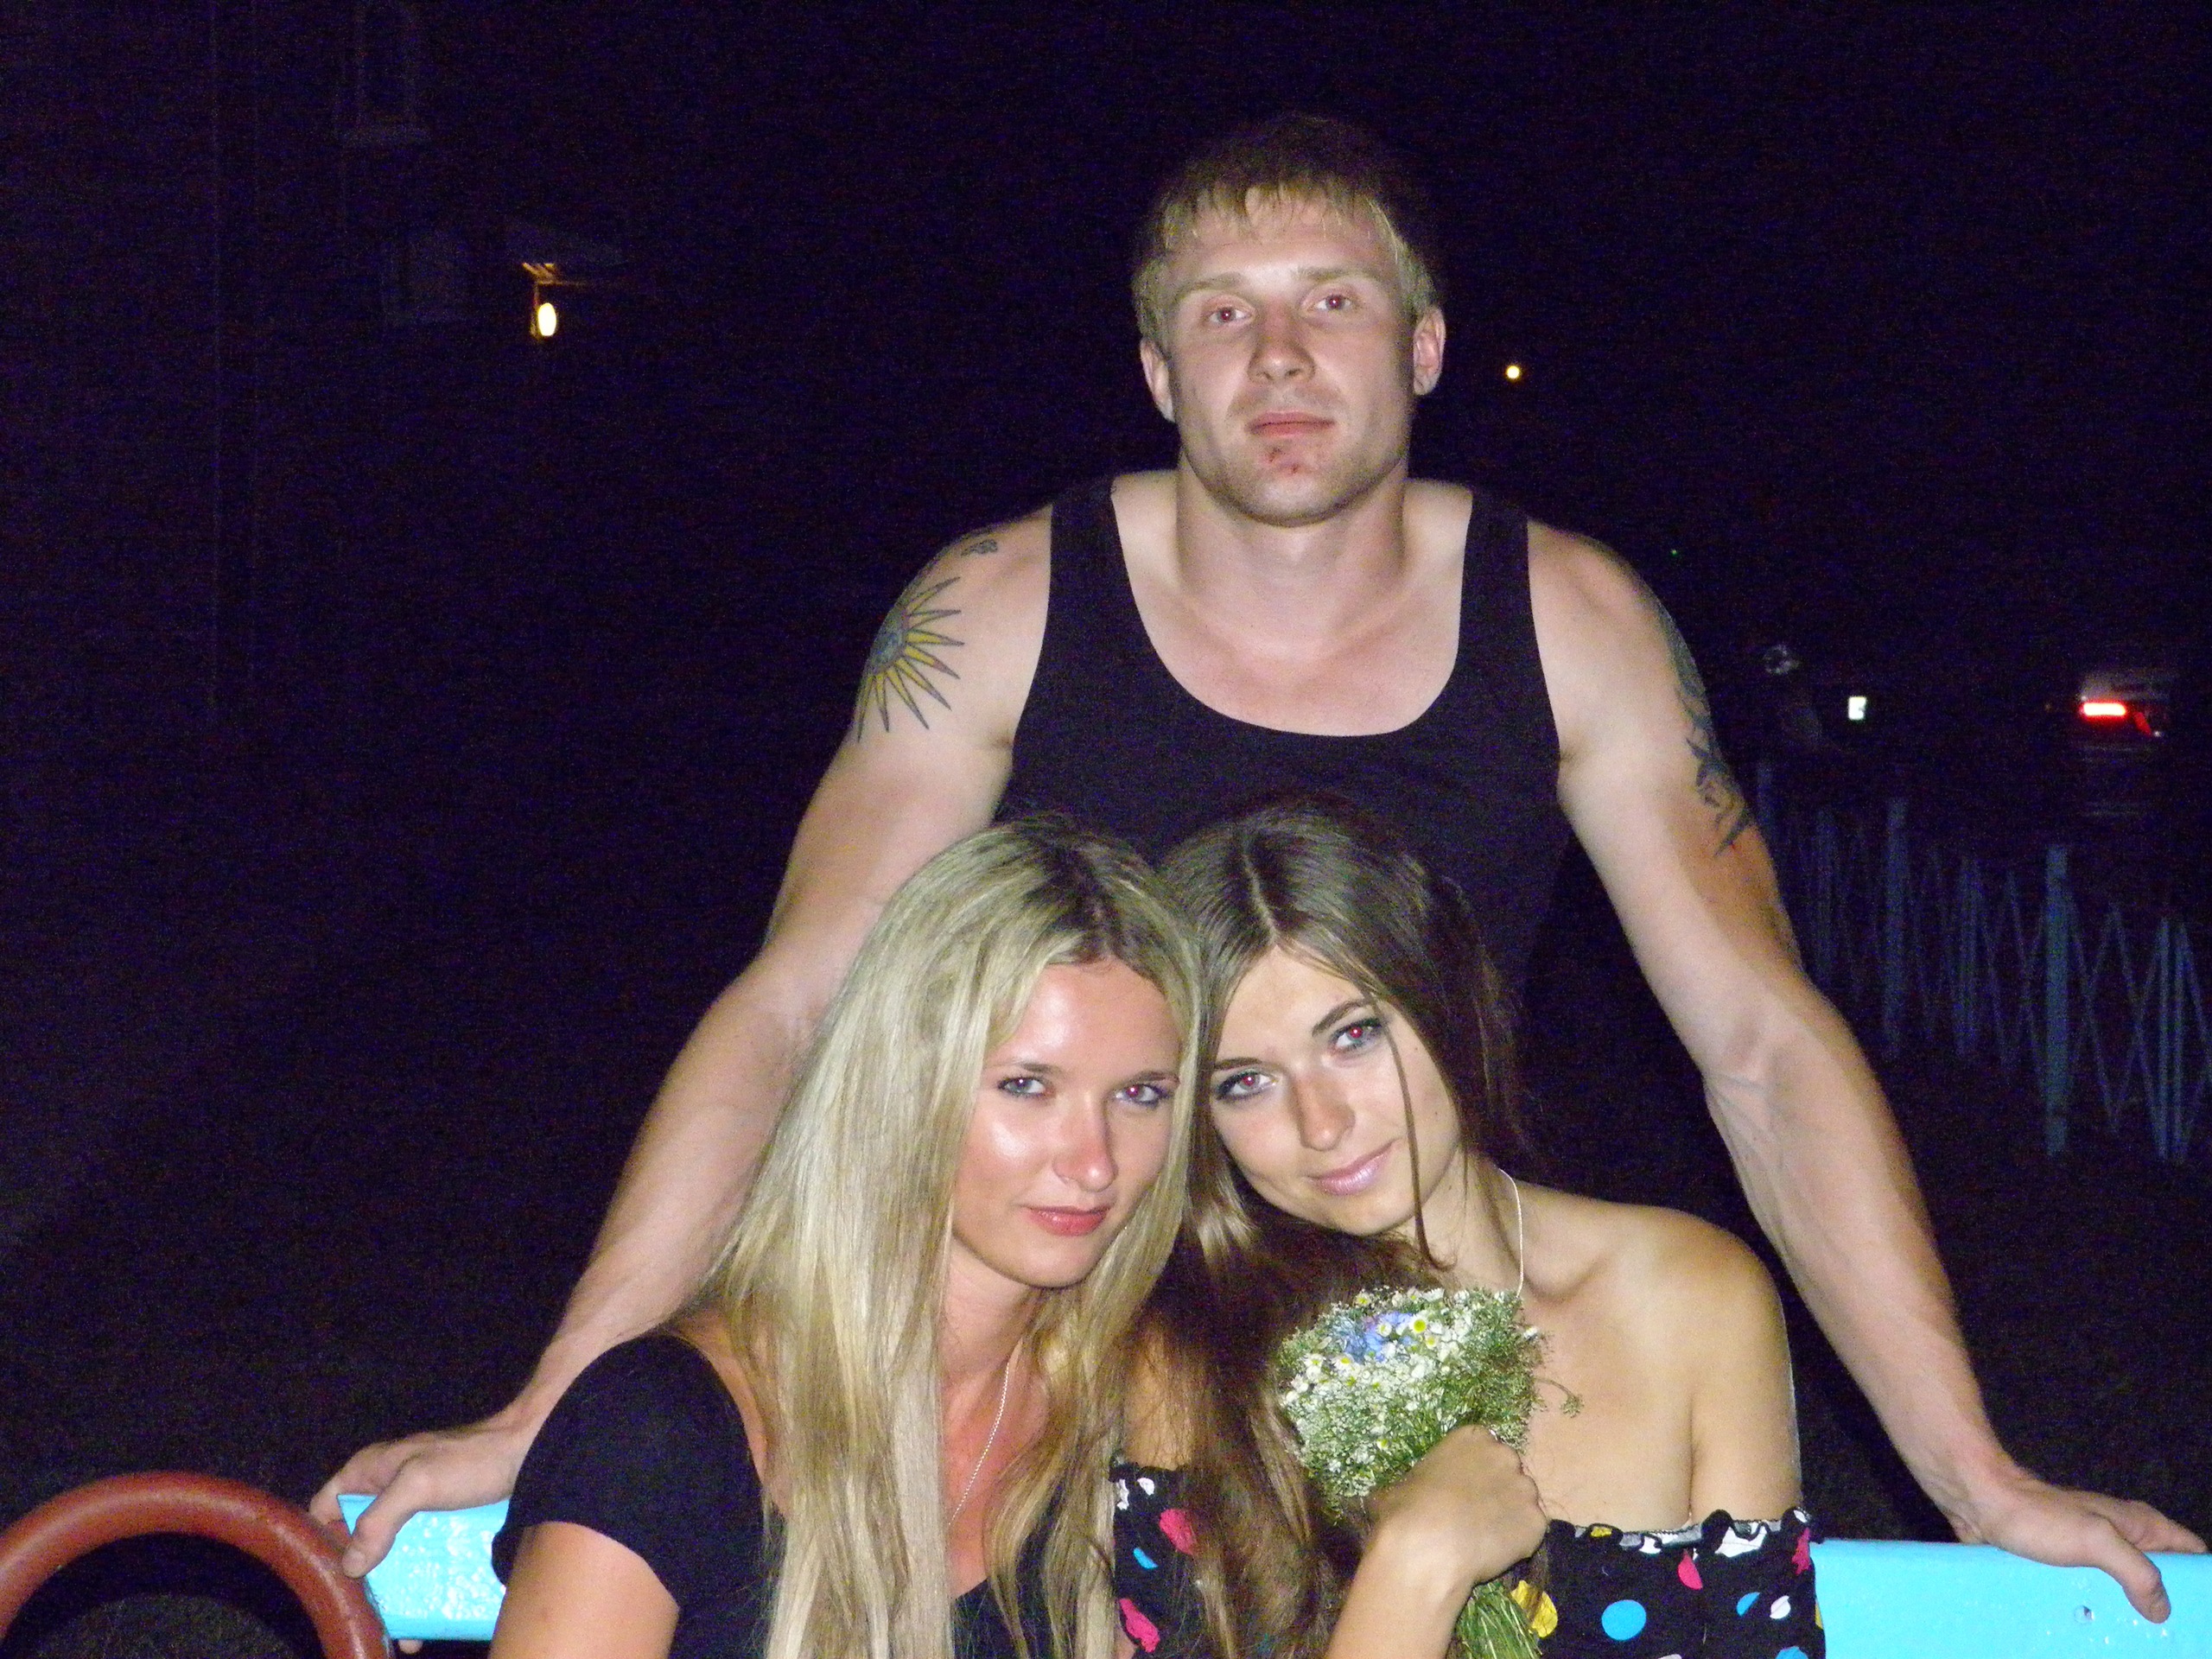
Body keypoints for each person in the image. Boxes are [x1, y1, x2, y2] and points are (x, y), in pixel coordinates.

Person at [317, 113, 2201, 1612]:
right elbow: (798, 1006)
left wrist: (1975, 1476)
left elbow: (1763, 1044)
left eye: (1332, 302)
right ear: (1156, 369)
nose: (1279, 356)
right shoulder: (999, 607)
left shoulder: (1570, 620)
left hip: (1455, 1329)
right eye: (1220, 313)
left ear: (1425, 346)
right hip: (1086, 1371)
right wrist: (556, 1398)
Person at [1114, 792, 1820, 1659]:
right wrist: (1415, 1566)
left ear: (1446, 999)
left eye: (1353, 1036)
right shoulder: (1190, 1358)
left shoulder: (1689, 1297)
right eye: (1245, 1083)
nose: (1322, 1123)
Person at [485, 818, 1203, 1659]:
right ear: (901, 1084)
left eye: (1140, 1096)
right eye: (1026, 1086)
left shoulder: (1143, 1408)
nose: (1094, 1162)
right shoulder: (666, 1426)